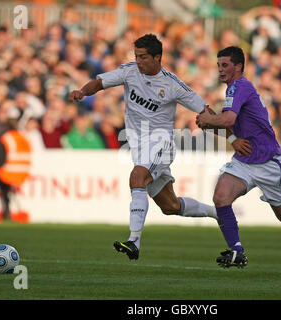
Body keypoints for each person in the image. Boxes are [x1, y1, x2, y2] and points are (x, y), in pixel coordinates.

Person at [69, 34, 249, 260]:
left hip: (161, 143)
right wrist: (83, 92)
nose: (139, 61)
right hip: (138, 147)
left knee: (137, 178)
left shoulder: (172, 85)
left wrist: (232, 140)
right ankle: (217, 213)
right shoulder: (129, 71)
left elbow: (207, 113)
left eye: (143, 57)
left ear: (157, 57)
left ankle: (134, 241)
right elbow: (100, 82)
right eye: (136, 56)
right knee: (170, 206)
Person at [196, 46, 281, 268]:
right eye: (218, 65)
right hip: (245, 158)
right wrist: (217, 128)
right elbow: (228, 124)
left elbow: (227, 120)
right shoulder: (233, 89)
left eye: (225, 65)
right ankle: (237, 251)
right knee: (221, 198)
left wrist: (208, 120)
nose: (220, 70)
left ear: (238, 66)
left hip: (269, 161)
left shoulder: (239, 86)